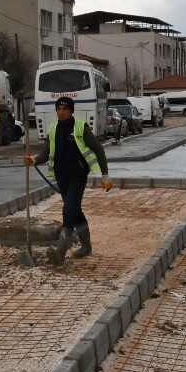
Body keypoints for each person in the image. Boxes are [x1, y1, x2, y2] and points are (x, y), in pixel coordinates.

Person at [26, 96, 112, 263]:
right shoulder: (53, 129)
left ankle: (60, 251)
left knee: (69, 209)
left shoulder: (80, 127)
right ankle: (86, 247)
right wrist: (34, 160)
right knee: (75, 211)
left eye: (65, 109)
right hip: (61, 177)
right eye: (58, 109)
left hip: (78, 176)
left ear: (71, 111)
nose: (61, 111)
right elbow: (46, 153)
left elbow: (98, 149)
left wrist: (105, 175)